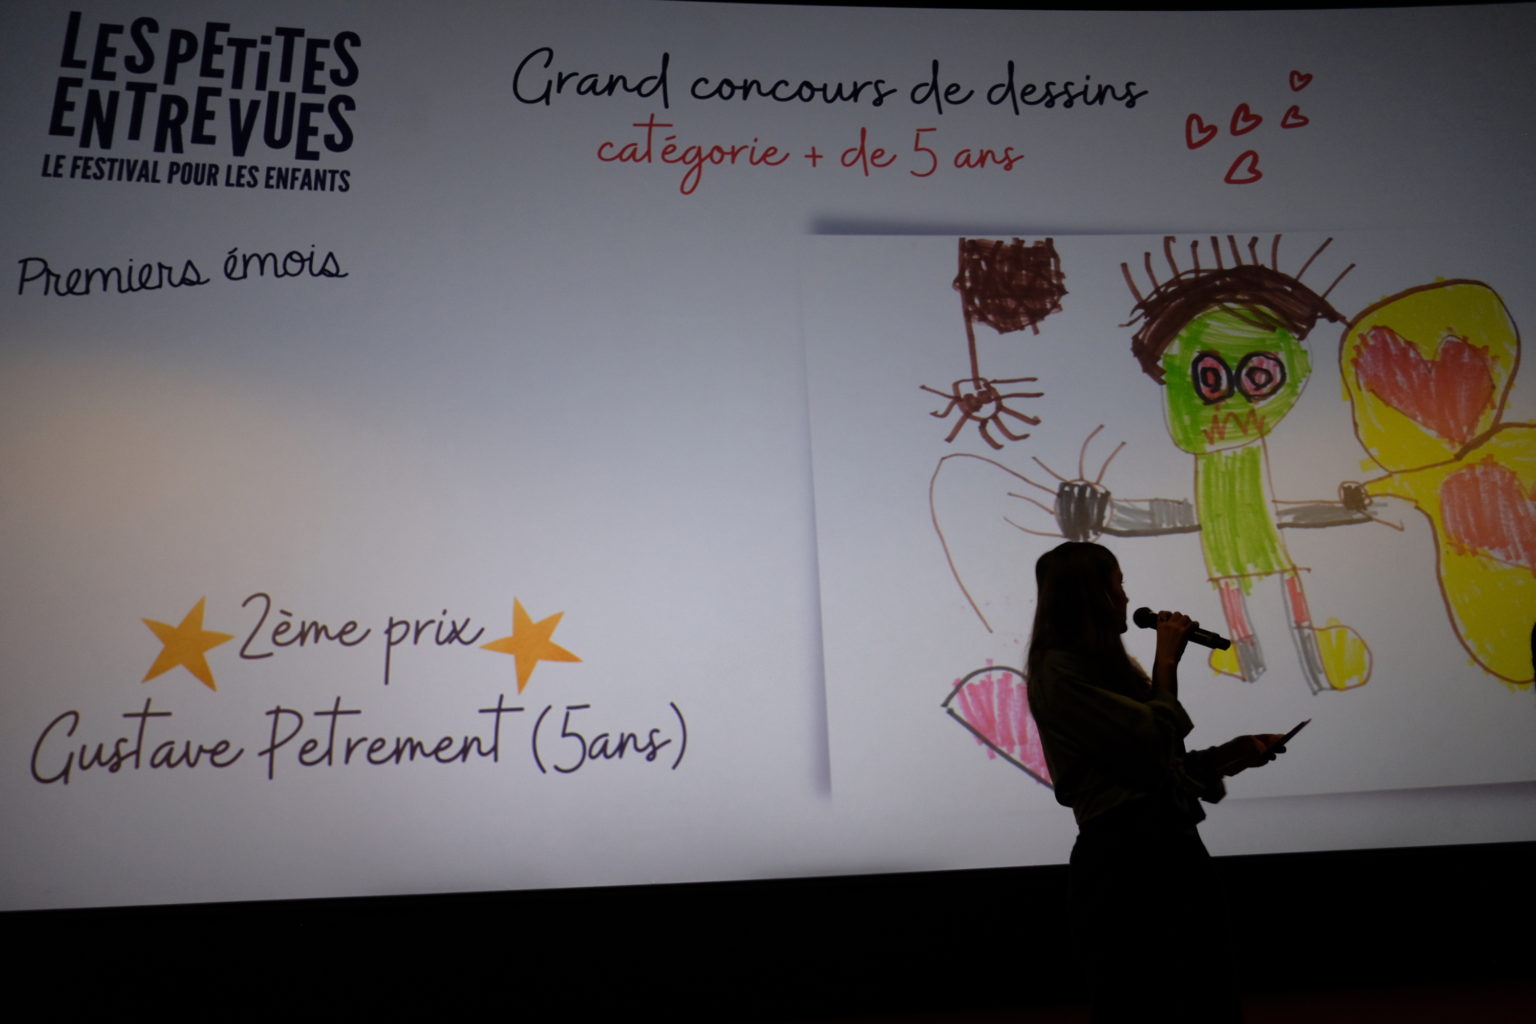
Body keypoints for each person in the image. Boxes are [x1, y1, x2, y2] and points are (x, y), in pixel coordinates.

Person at [1024, 541, 1287, 1023]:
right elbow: (1150, 737)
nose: (1127, 597)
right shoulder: (1059, 674)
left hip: (1169, 850)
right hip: (1125, 864)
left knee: (1207, 998)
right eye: (1118, 584)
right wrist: (1167, 660)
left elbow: (1159, 765)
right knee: (1145, 1004)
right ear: (1092, 596)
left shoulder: (1109, 669)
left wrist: (1232, 755)